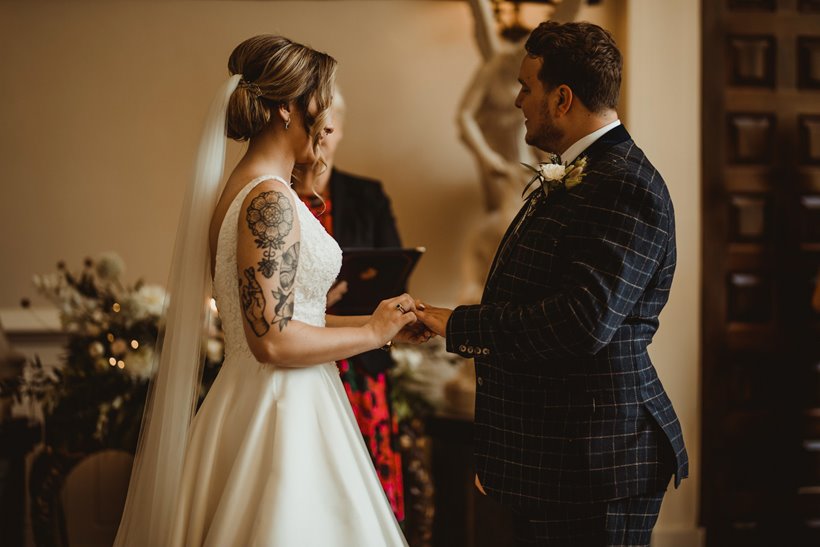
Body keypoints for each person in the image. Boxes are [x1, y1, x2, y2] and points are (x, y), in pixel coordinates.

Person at [114, 35, 427, 547]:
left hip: (266, 397)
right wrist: (371, 332)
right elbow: (273, 341)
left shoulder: (247, 188)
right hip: (280, 414)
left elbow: (285, 316)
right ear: (286, 108)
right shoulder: (269, 201)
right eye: (320, 103)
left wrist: (383, 324)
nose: (327, 122)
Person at [416, 21, 689, 546]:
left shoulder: (625, 185)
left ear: (561, 98)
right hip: (552, 457)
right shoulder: (582, 171)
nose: (517, 101)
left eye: (525, 87)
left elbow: (580, 323)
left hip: (595, 462)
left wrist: (460, 325)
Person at [292, 90, 406, 521]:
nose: (322, 137)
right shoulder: (275, 195)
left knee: (365, 479)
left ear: (341, 131)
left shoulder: (366, 195)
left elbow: (395, 266)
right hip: (302, 350)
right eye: (315, 126)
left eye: (331, 127)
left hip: (361, 354)